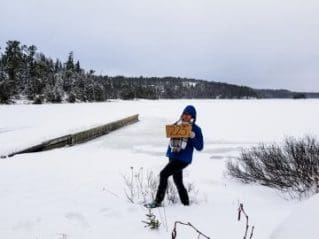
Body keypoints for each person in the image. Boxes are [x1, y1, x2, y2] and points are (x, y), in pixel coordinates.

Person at [145, 105, 204, 208]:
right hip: (173, 156)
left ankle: (158, 201)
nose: (185, 116)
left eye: (188, 115)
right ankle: (186, 204)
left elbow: (200, 147)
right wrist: (174, 130)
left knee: (163, 174)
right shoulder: (177, 124)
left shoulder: (196, 129)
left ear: (192, 116)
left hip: (183, 159)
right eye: (184, 114)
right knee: (178, 182)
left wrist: (192, 136)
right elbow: (171, 136)